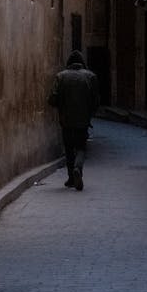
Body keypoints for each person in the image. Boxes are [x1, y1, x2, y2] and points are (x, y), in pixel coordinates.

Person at [48, 50, 99, 191]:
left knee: (69, 149)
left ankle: (71, 177)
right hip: (83, 120)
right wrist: (89, 113)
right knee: (81, 148)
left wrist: (61, 105)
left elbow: (52, 99)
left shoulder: (61, 76)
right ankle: (78, 168)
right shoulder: (91, 77)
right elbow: (96, 101)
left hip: (66, 120)